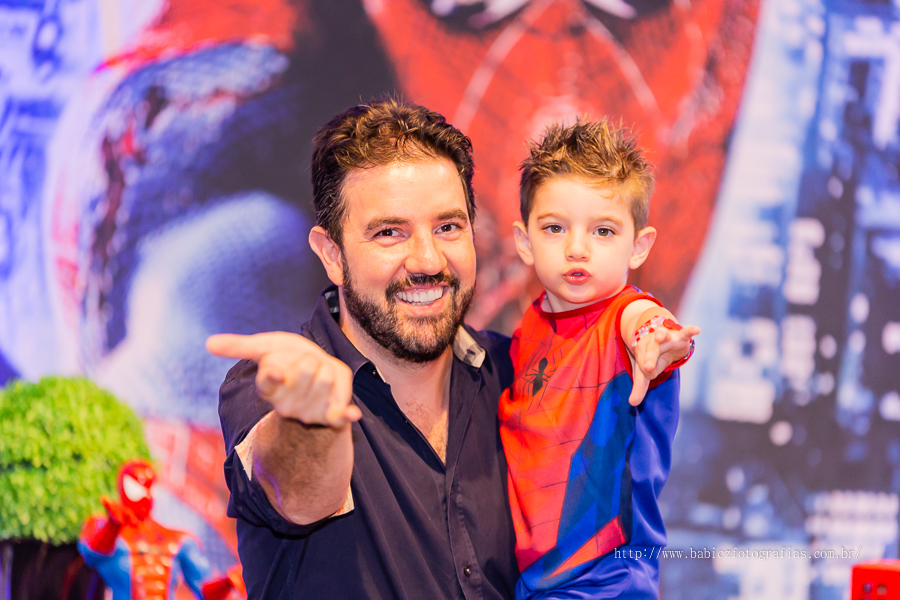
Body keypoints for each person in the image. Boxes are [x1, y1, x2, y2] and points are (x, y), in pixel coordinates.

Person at [206, 99, 520, 598]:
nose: (427, 259)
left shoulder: (517, 373)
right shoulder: (276, 385)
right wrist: (315, 422)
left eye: (448, 227)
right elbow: (298, 494)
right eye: (389, 233)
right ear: (332, 255)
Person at [498, 119, 699, 599]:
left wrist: (660, 341)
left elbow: (650, 325)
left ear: (639, 246)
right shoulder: (529, 328)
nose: (577, 248)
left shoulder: (624, 315)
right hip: (528, 582)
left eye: (603, 230)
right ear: (525, 242)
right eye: (554, 228)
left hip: (604, 582)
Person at [78, 459, 245, 600]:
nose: (143, 494)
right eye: (135, 487)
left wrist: (229, 581)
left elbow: (204, 590)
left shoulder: (177, 540)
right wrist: (113, 525)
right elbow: (92, 553)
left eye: (147, 487)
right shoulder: (106, 530)